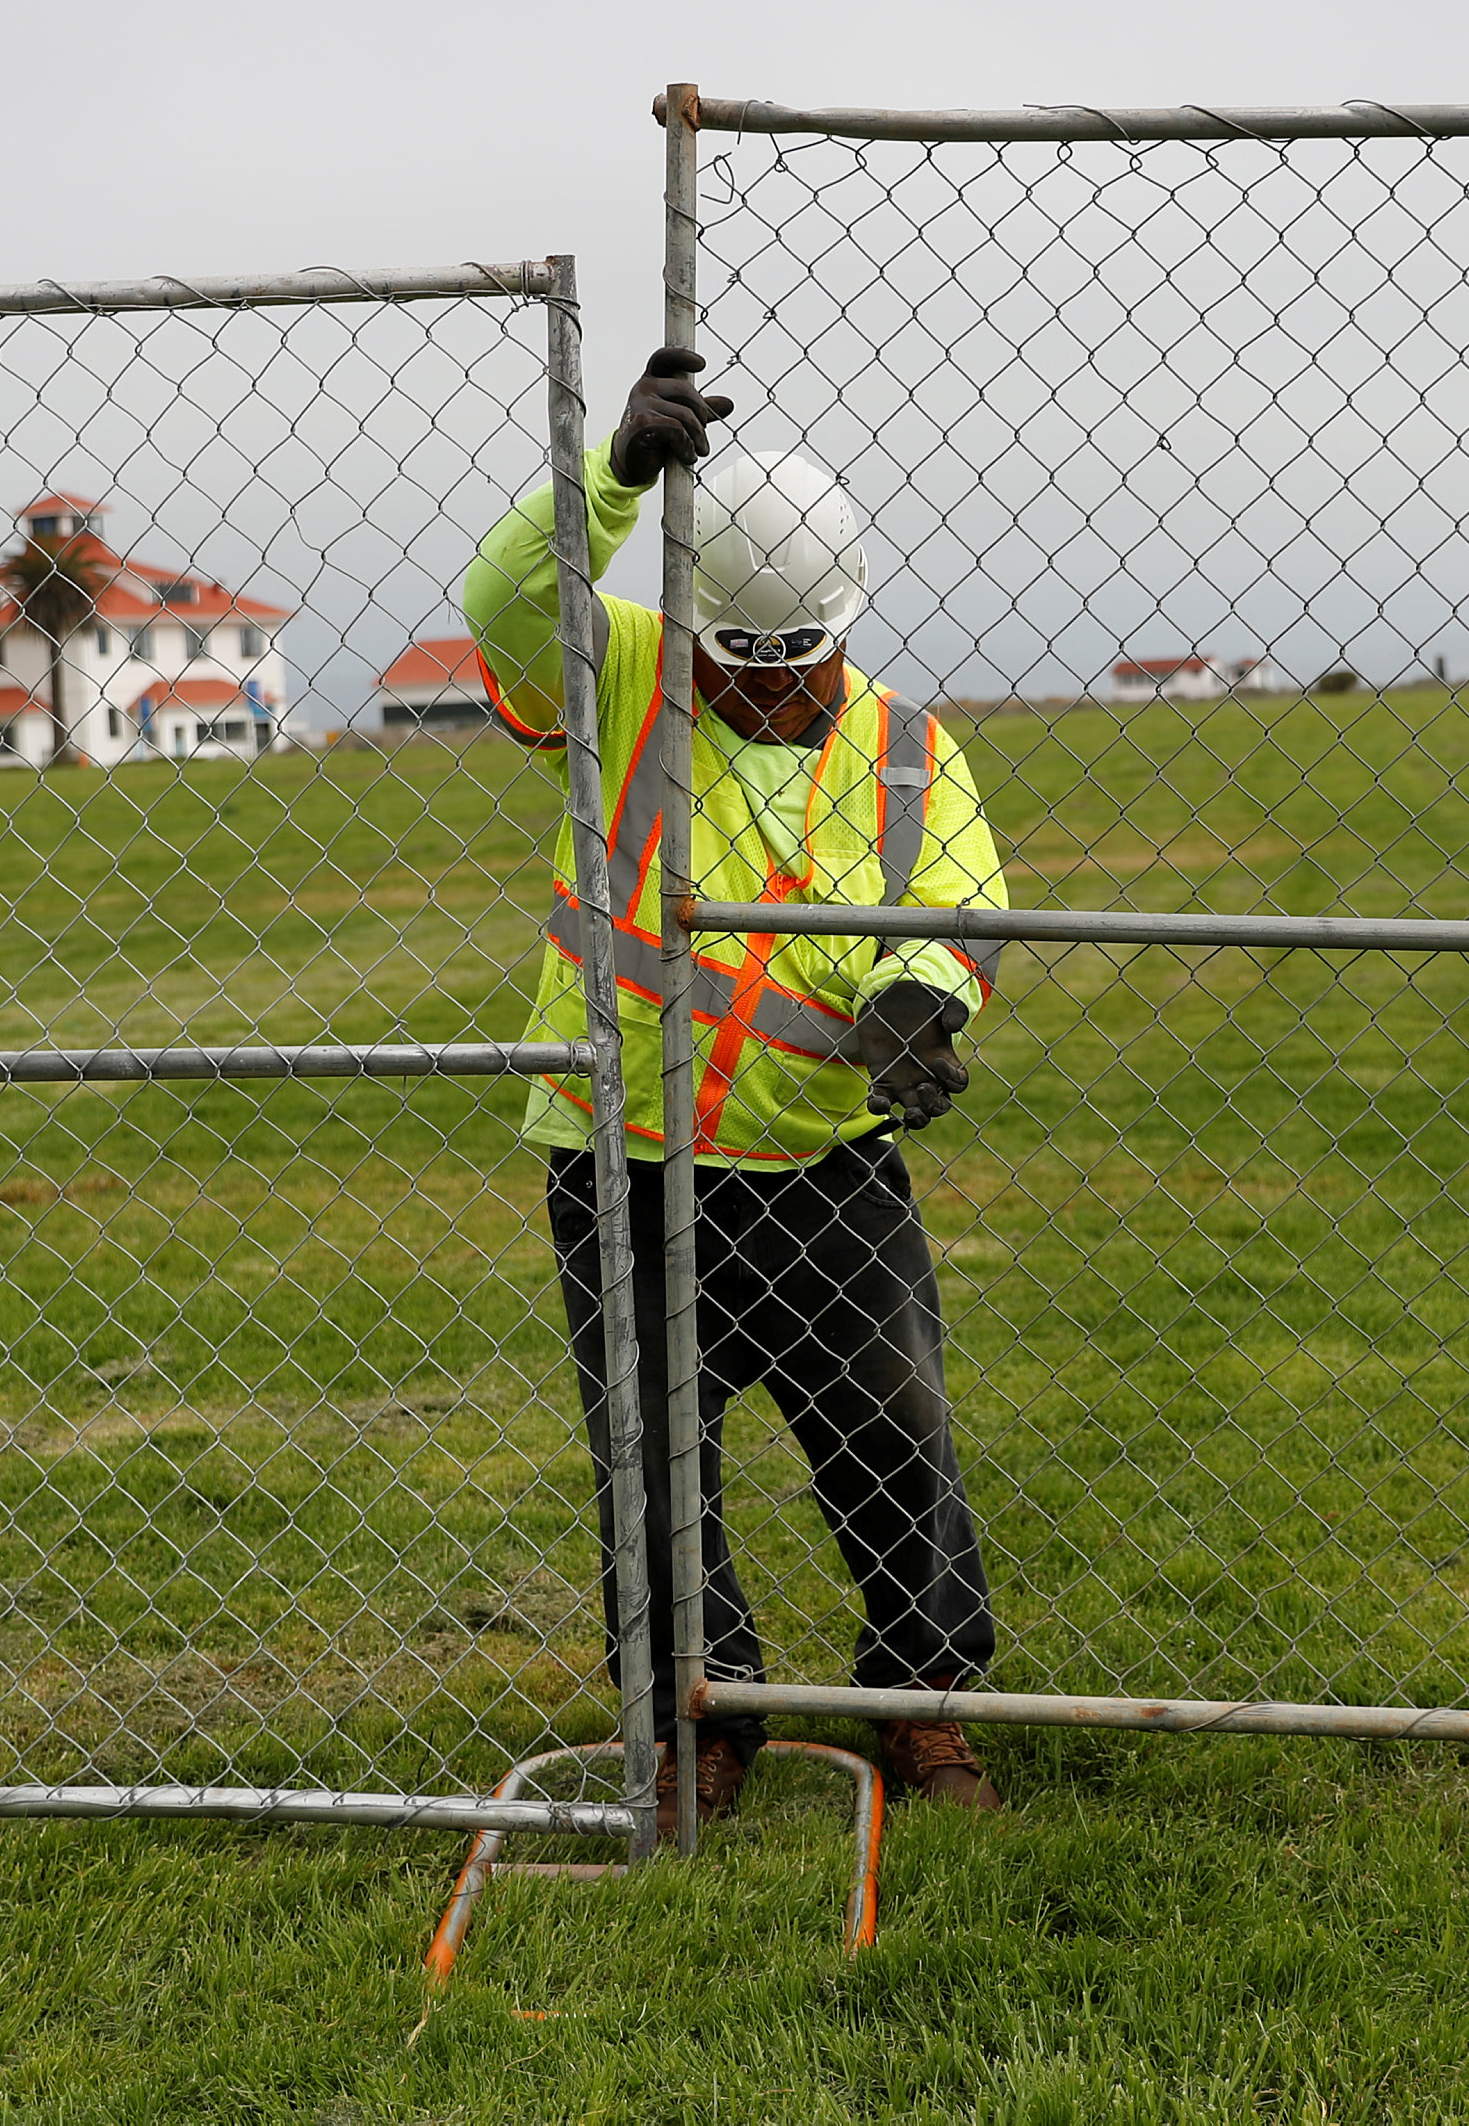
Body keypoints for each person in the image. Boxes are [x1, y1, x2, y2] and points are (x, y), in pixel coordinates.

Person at [463, 347, 1011, 1833]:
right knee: (651, 1469)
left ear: (843, 633)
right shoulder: (631, 674)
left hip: (828, 1173)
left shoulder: (908, 749)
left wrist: (921, 1000)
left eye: (796, 664)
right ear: (697, 633)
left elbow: (960, 906)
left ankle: (924, 1701)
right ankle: (699, 1710)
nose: (768, 690)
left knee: (895, 1431)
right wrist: (610, 480)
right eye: (742, 662)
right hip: (624, 1159)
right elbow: (504, 607)